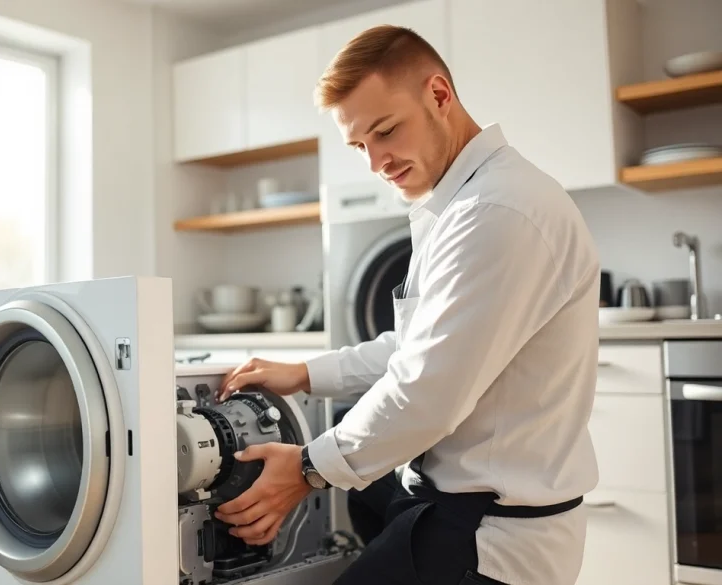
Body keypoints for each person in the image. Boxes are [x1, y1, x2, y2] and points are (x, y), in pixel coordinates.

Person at [212, 24, 600, 585]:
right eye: (359, 145)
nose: (376, 162)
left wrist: (306, 468)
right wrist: (305, 372)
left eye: (386, 130)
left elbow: (426, 390)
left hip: (491, 539)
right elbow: (422, 345)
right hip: (465, 510)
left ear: (439, 95)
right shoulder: (465, 201)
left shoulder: (496, 212)